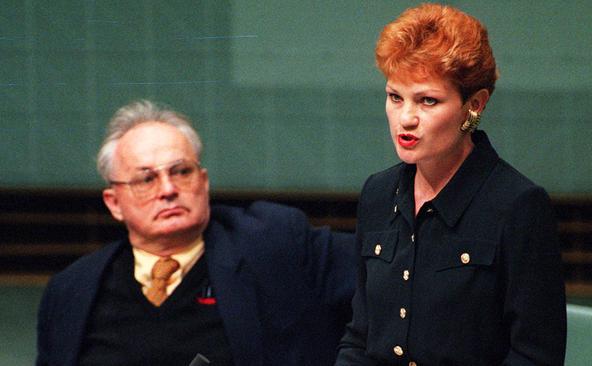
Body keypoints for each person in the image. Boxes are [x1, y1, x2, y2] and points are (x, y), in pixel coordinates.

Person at [36, 100, 356, 366]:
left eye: (181, 172)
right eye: (146, 179)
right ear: (114, 202)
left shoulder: (275, 244)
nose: (168, 189)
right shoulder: (71, 290)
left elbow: (390, 271)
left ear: (203, 182)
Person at [336, 3, 566, 365]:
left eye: (428, 100)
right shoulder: (378, 194)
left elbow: (535, 356)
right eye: (395, 97)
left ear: (474, 105)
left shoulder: (518, 205)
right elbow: (360, 337)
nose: (406, 118)